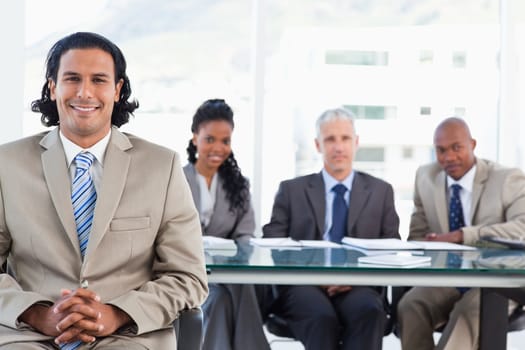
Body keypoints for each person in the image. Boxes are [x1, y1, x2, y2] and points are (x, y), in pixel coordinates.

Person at [0, 32, 208, 349]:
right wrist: (37, 314)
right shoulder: (6, 164)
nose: (85, 92)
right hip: (29, 335)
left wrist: (115, 314)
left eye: (99, 80)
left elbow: (188, 278)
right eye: (72, 79)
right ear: (53, 86)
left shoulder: (162, 167)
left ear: (117, 89)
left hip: (126, 336)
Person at [262, 107, 400, 350]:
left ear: (356, 142)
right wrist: (316, 277)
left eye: (345, 138)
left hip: (359, 284)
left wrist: (353, 279)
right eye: (330, 139)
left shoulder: (381, 191)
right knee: (321, 317)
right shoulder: (291, 190)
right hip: (304, 285)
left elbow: (391, 248)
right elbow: (273, 244)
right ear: (318, 145)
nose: (338, 147)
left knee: (369, 311)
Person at [397, 117, 525, 350]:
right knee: (411, 305)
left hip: (497, 282)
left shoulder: (507, 179)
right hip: (449, 278)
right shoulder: (425, 177)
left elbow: (523, 228)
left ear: (472, 144)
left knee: (467, 313)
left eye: (457, 147)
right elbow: (417, 235)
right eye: (441, 150)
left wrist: (462, 236)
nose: (449, 157)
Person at [183, 99, 270, 350]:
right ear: (195, 138)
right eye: (210, 139)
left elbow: (245, 235)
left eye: (225, 141)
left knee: (236, 287)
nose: (218, 148)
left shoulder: (239, 185)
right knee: (220, 297)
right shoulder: (176, 179)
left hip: (227, 272)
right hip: (187, 273)